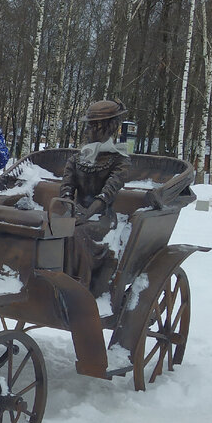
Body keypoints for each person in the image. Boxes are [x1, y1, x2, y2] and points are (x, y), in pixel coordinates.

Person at [59, 99, 132, 294]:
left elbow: (107, 193)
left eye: (93, 126)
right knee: (51, 229)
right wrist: (69, 209)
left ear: (108, 128)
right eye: (87, 126)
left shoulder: (120, 160)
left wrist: (85, 215)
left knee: (76, 233)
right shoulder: (76, 159)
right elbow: (66, 188)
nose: (86, 131)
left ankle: (79, 288)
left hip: (102, 219)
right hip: (76, 213)